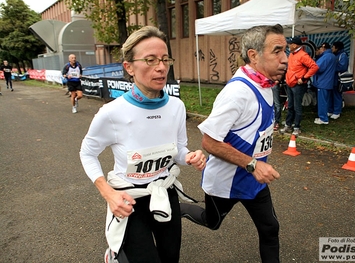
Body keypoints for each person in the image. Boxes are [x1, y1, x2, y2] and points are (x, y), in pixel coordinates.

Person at [79, 26, 207, 263]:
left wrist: (189, 156)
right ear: (129, 67)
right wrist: (108, 193)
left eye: (164, 59)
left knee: (170, 258)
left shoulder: (176, 106)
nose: (160, 67)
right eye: (150, 60)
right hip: (129, 198)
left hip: (164, 192)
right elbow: (87, 153)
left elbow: (178, 149)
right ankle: (116, 256)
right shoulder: (112, 113)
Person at [180, 25, 286, 263]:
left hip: (253, 180)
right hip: (227, 182)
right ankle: (180, 208)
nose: (285, 58)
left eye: (285, 50)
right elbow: (209, 141)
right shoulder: (238, 92)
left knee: (270, 228)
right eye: (277, 51)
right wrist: (253, 164)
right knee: (212, 221)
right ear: (254, 55)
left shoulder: (265, 85)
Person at [280, 37, 319, 136]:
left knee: (297, 106)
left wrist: (304, 78)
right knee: (291, 105)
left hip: (298, 85)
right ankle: (289, 125)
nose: (288, 45)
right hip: (290, 83)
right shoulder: (292, 55)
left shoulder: (303, 55)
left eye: (290, 44)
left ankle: (297, 127)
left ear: (295, 45)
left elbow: (314, 67)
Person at [313, 43, 336, 124]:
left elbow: (318, 68)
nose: (319, 51)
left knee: (322, 101)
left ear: (323, 48)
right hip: (328, 82)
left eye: (319, 49)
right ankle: (326, 114)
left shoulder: (326, 56)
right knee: (326, 100)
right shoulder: (332, 56)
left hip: (323, 82)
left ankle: (323, 118)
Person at [329, 41, 349, 120]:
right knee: (330, 95)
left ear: (337, 48)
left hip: (338, 79)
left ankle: (337, 112)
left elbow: (342, 67)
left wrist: (332, 68)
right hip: (331, 79)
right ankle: (330, 110)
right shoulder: (334, 55)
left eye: (333, 47)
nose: (332, 49)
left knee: (337, 95)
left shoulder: (343, 56)